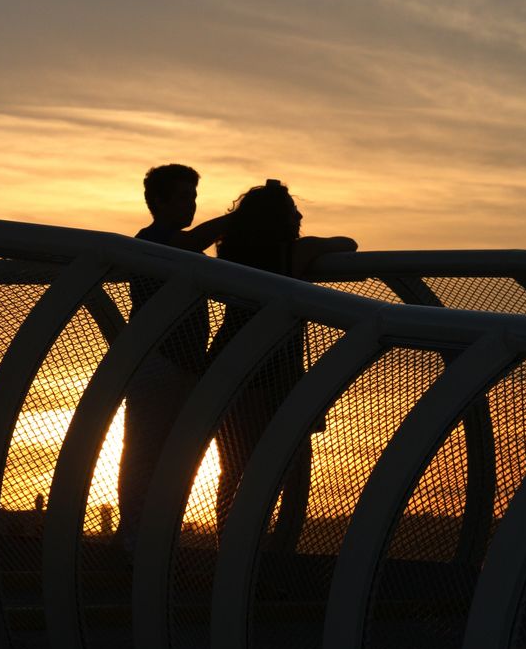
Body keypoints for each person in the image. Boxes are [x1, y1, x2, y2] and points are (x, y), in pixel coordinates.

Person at [209, 179, 357, 542]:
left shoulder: (229, 256)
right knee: (283, 464)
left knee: (232, 468)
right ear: (280, 219)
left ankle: (228, 541)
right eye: (292, 209)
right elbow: (349, 245)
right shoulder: (293, 255)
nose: (300, 214)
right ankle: (267, 547)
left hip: (228, 365)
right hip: (275, 370)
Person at [115, 164, 229, 554]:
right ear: (158, 202)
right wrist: (238, 219)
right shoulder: (150, 241)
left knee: (176, 459)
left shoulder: (179, 246)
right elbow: (193, 242)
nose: (191, 204)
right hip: (157, 363)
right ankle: (133, 540)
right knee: (144, 454)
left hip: (186, 366)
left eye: (193, 197)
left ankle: (159, 540)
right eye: (183, 197)